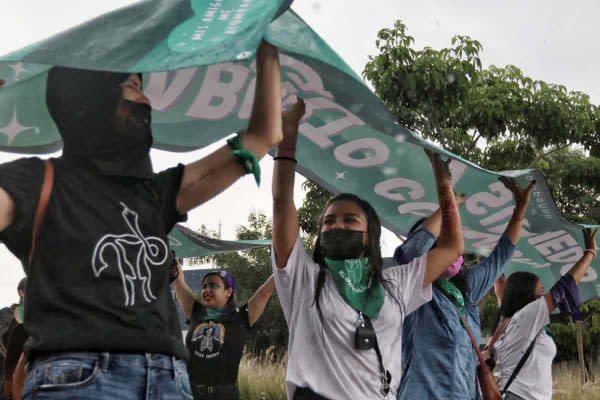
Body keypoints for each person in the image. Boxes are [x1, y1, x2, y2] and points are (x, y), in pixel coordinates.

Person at [0, 41, 282, 399]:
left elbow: (261, 137)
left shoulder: (154, 194)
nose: (146, 101)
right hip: (79, 380)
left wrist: (268, 46)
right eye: (132, 87)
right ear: (89, 100)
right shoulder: (36, 183)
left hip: (169, 382)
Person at [271, 98, 464, 400]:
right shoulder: (303, 278)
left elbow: (451, 247)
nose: (338, 226)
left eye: (350, 220)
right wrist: (288, 135)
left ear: (370, 235)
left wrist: (444, 187)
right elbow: (282, 202)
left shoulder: (396, 284)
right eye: (329, 222)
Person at [395, 177, 535, 400]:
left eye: (454, 242)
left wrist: (519, 210)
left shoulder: (466, 290)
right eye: (442, 244)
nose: (453, 250)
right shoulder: (411, 288)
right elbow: (409, 255)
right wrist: (447, 208)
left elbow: (500, 257)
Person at [492, 228, 597, 400]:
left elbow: (500, 285)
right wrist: (590, 253)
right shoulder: (524, 318)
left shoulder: (509, 322)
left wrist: (499, 251)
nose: (543, 295)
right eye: (540, 290)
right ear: (526, 295)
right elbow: (563, 288)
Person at [172, 259, 276, 400]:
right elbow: (179, 282)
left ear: (228, 292)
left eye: (213, 286)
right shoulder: (196, 311)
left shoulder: (241, 316)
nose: (206, 290)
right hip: (190, 393)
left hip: (223, 395)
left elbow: (266, 291)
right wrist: (174, 263)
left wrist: (284, 265)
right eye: (204, 286)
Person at [1, 278, 26, 400]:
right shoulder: (5, 314)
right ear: (21, 292)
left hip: (32, 371)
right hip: (6, 370)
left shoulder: (45, 317)